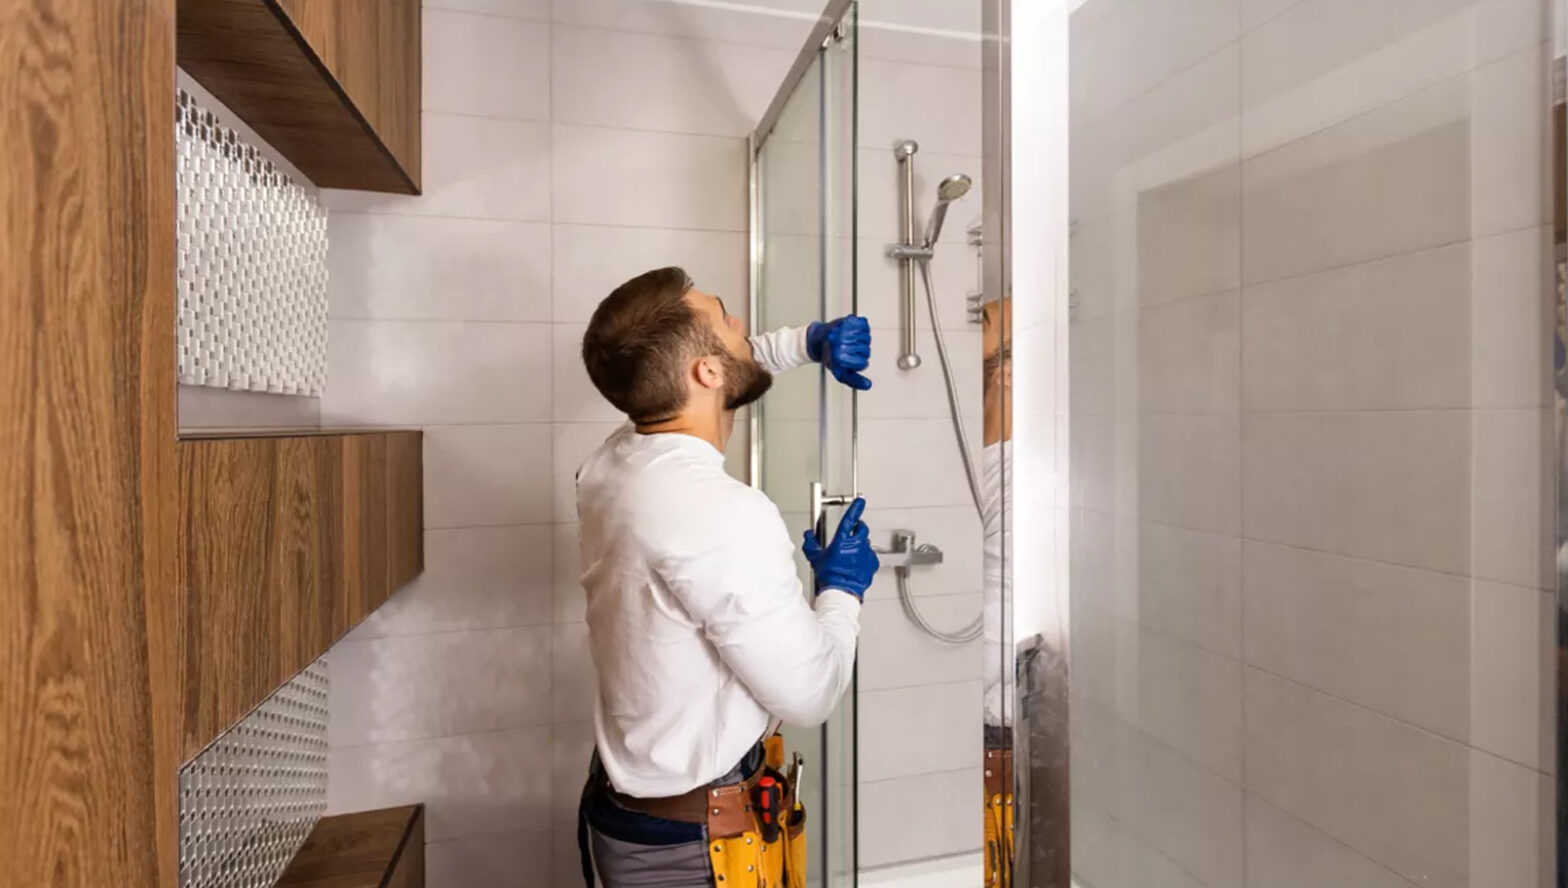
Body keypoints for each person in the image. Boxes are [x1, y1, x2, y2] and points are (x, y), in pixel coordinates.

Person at [573, 266, 880, 887]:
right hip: (694, 851)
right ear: (705, 374)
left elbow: (711, 371)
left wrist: (806, 341)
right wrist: (841, 590)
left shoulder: (610, 463)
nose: (742, 325)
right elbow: (812, 693)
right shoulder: (721, 512)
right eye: (725, 318)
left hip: (636, 817)